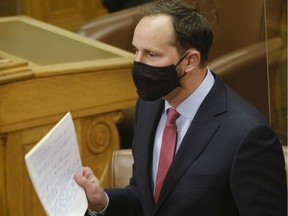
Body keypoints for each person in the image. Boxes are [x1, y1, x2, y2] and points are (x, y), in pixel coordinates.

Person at [75, 0, 287, 215]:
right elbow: (146, 197)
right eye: (135, 50)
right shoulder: (148, 105)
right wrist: (103, 201)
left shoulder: (248, 136)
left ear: (190, 61)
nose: (137, 64)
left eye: (151, 54)